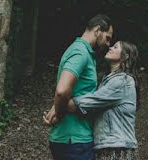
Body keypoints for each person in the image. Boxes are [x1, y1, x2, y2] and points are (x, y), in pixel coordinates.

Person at [44, 14, 114, 160]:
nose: (108, 44)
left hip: (75, 139)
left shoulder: (84, 52)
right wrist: (60, 113)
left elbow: (71, 91)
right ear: (97, 30)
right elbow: (62, 90)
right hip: (74, 140)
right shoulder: (80, 52)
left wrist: (56, 108)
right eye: (107, 37)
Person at [68, 41, 140, 160]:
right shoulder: (109, 80)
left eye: (115, 47)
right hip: (109, 146)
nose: (110, 47)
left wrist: (60, 106)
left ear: (126, 56)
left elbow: (91, 101)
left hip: (117, 147)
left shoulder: (122, 81)